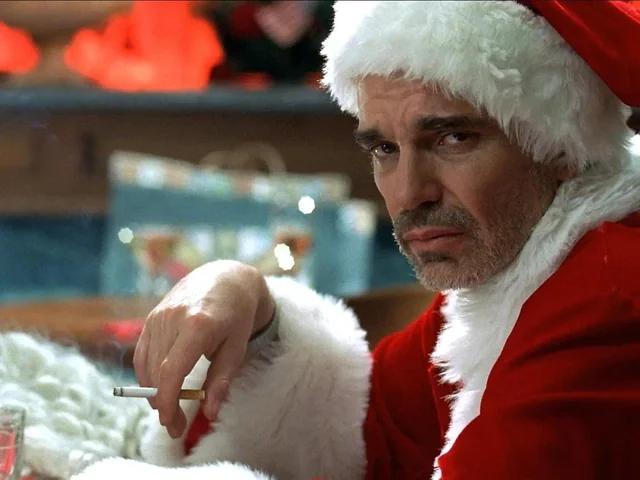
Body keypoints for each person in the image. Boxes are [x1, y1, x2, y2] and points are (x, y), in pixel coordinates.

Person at [74, 1, 640, 479]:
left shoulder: (608, 304)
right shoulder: (520, 270)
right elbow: (369, 430)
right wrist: (250, 304)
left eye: (452, 138)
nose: (409, 193)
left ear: (560, 146)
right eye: (385, 149)